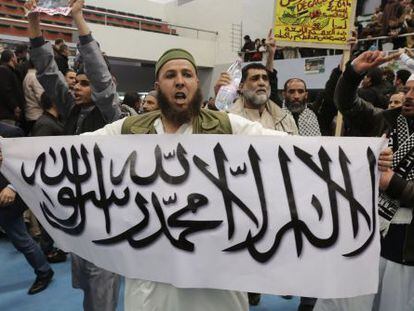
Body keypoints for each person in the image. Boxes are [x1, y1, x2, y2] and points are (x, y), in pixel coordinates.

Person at [83, 46, 288, 311]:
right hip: (151, 262)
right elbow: (75, 151)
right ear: (158, 86)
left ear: (195, 82)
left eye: (187, 74)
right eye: (171, 75)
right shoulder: (131, 129)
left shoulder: (226, 126)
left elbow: (285, 148)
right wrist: (17, 153)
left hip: (214, 263)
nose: (179, 80)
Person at [25, 0, 122, 310]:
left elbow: (100, 77)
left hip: (105, 216)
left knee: (102, 288)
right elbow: (48, 72)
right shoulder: (71, 110)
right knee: (85, 286)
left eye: (85, 83)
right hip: (77, 214)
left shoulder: (112, 114)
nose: (77, 87)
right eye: (76, 82)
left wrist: (78, 18)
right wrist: (34, 24)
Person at [314, 50, 414, 311]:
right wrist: (352, 73)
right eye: (409, 89)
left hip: (406, 248)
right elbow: (346, 103)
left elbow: (394, 185)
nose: (409, 96)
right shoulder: (386, 121)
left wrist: (394, 184)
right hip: (364, 233)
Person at [0, 49, 24, 126]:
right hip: (7, 114)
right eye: (15, 56)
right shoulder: (3, 70)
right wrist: (15, 107)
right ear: (12, 58)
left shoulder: (11, 71)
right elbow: (6, 91)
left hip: (10, 113)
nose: (16, 58)